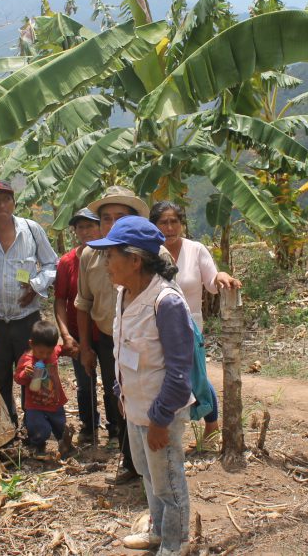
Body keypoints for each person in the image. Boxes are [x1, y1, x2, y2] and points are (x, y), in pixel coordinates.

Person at [86, 216, 194, 556]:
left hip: (160, 410)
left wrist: (160, 419)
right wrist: (121, 395)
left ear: (135, 260)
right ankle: (159, 532)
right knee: (149, 475)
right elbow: (123, 349)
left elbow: (179, 371)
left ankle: (176, 545)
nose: (105, 263)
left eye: (111, 255)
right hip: (134, 406)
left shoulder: (167, 302)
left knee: (169, 481)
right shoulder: (123, 294)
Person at [0, 181, 58, 426]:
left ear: (14, 203)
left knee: (35, 373)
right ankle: (7, 425)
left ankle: (35, 425)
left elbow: (51, 264)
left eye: (6, 199)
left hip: (26, 318)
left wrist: (36, 285)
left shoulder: (32, 230)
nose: (1, 205)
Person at [75, 185, 150, 482]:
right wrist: (84, 346)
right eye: (106, 218)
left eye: (121, 216)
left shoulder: (151, 254)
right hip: (109, 340)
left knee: (150, 396)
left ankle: (156, 463)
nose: (112, 223)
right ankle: (131, 463)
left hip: (147, 341)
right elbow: (83, 303)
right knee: (119, 398)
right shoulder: (90, 256)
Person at [149, 200, 239, 444]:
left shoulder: (195, 249)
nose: (169, 228)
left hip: (191, 328)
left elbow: (211, 282)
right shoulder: (151, 252)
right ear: (154, 226)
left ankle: (212, 426)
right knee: (164, 377)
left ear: (181, 223)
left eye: (174, 222)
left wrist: (221, 276)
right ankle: (167, 428)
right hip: (158, 326)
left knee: (195, 377)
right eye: (163, 223)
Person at [54, 207, 102, 442]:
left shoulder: (110, 255)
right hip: (78, 330)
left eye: (91, 225)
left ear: (100, 227)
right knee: (85, 382)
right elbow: (60, 299)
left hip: (105, 330)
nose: (86, 231)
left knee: (115, 381)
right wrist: (66, 335)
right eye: (81, 227)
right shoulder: (67, 262)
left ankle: (116, 428)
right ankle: (89, 426)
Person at [13, 321, 70, 456]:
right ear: (31, 344)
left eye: (48, 352)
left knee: (60, 426)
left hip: (54, 401)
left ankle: (65, 445)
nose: (45, 356)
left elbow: (61, 349)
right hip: (35, 404)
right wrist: (25, 374)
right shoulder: (27, 360)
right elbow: (18, 378)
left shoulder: (53, 353)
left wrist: (71, 349)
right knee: (39, 428)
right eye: (41, 352)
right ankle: (38, 445)